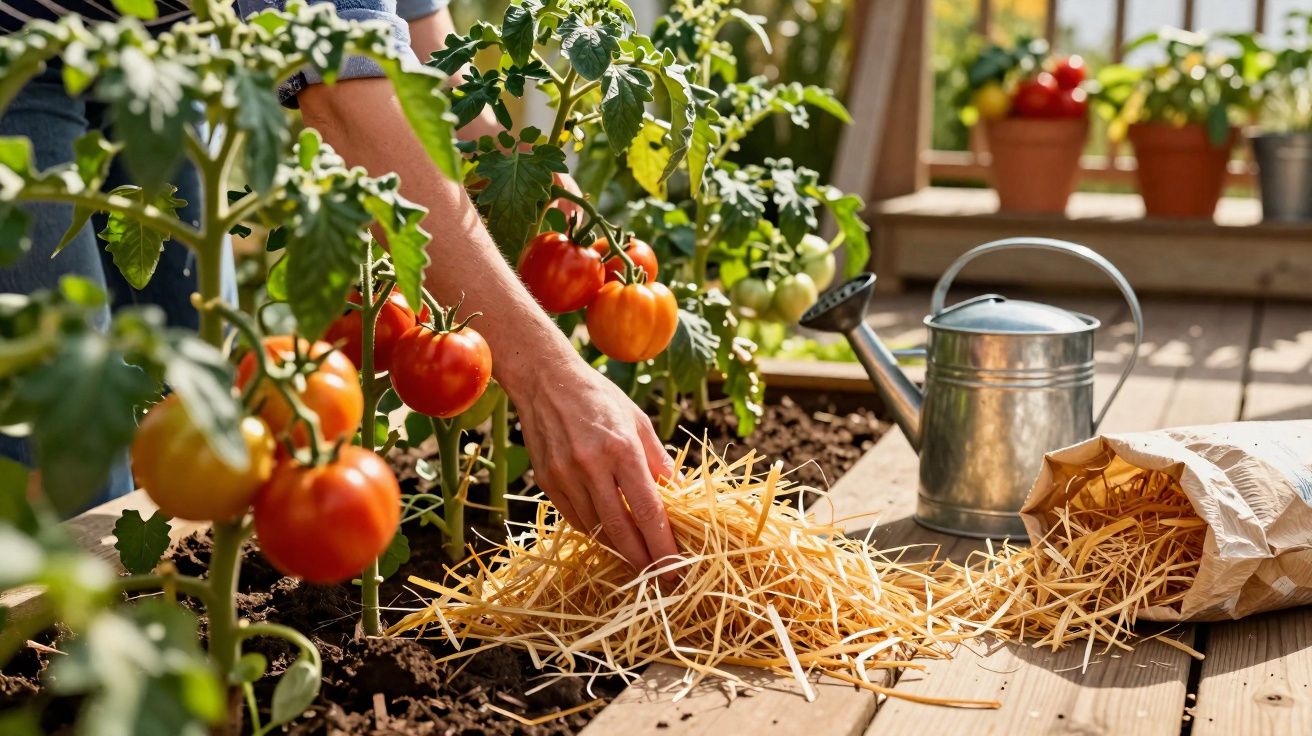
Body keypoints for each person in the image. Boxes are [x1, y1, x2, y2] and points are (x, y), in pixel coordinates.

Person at [0, 0, 679, 576]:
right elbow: (346, 101)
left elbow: (416, 39)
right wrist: (548, 377)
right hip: (17, 50)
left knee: (197, 407)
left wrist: (512, 165)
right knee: (69, 446)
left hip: (161, 58)